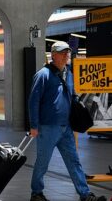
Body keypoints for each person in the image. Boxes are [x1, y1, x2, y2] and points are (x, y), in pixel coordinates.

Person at [28, 41, 106, 201]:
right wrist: (34, 126)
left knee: (74, 162)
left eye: (67, 53)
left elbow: (72, 94)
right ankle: (36, 193)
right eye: (63, 53)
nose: (66, 55)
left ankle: (85, 194)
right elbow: (33, 101)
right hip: (47, 127)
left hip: (66, 128)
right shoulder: (43, 75)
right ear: (53, 55)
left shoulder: (68, 74)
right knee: (42, 163)